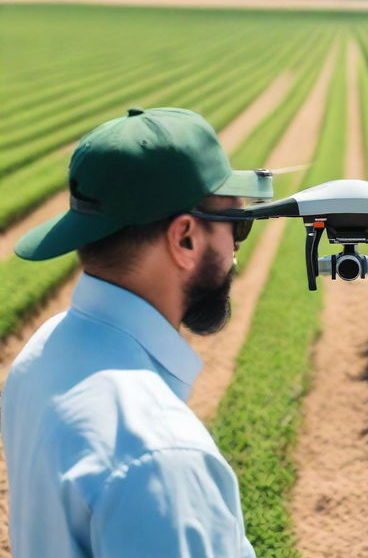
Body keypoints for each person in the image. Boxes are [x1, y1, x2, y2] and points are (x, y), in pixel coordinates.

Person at [1, 107, 270, 557]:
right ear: (184, 238)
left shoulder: (40, 354)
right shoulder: (161, 459)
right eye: (236, 226)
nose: (236, 250)